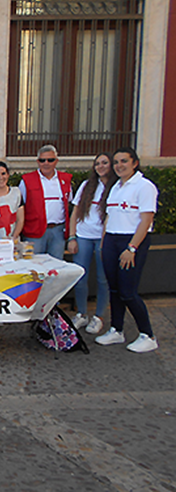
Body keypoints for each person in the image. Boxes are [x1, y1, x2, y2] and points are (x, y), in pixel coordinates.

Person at [95, 147, 159, 353]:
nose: (119, 166)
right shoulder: (116, 187)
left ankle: (148, 335)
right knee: (114, 290)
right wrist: (105, 243)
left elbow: (146, 220)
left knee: (128, 292)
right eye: (116, 162)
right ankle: (117, 329)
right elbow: (109, 217)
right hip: (112, 240)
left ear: (135, 163)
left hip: (130, 242)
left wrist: (132, 247)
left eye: (124, 161)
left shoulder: (144, 186)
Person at [68, 153, 117, 335]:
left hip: (104, 238)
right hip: (83, 236)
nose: (100, 166)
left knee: (102, 279)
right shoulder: (87, 186)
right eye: (97, 163)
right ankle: (82, 313)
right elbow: (75, 212)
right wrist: (72, 237)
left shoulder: (116, 187)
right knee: (80, 275)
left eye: (105, 163)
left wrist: (105, 242)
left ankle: (99, 316)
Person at [19, 145, 72, 259]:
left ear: (56, 161)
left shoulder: (66, 179)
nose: (46, 163)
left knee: (56, 267)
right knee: (34, 266)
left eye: (50, 160)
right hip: (34, 232)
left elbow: (68, 203)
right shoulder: (26, 180)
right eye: (42, 160)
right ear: (38, 162)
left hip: (58, 231)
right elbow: (20, 206)